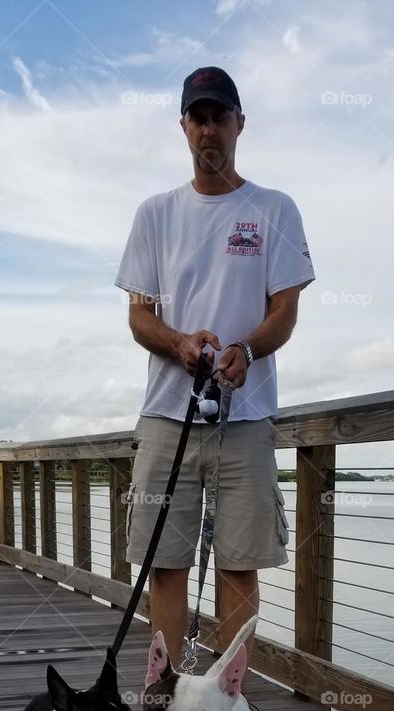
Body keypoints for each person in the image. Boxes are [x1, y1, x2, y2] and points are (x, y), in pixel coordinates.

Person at [115, 65, 315, 671]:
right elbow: (139, 317)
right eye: (198, 118)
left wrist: (245, 351)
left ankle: (229, 708)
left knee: (239, 567)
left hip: (246, 420)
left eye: (219, 116)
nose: (209, 130)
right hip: (165, 416)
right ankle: (165, 700)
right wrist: (180, 344)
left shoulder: (275, 208)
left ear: (239, 123)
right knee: (164, 565)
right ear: (183, 126)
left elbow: (285, 311)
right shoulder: (154, 213)